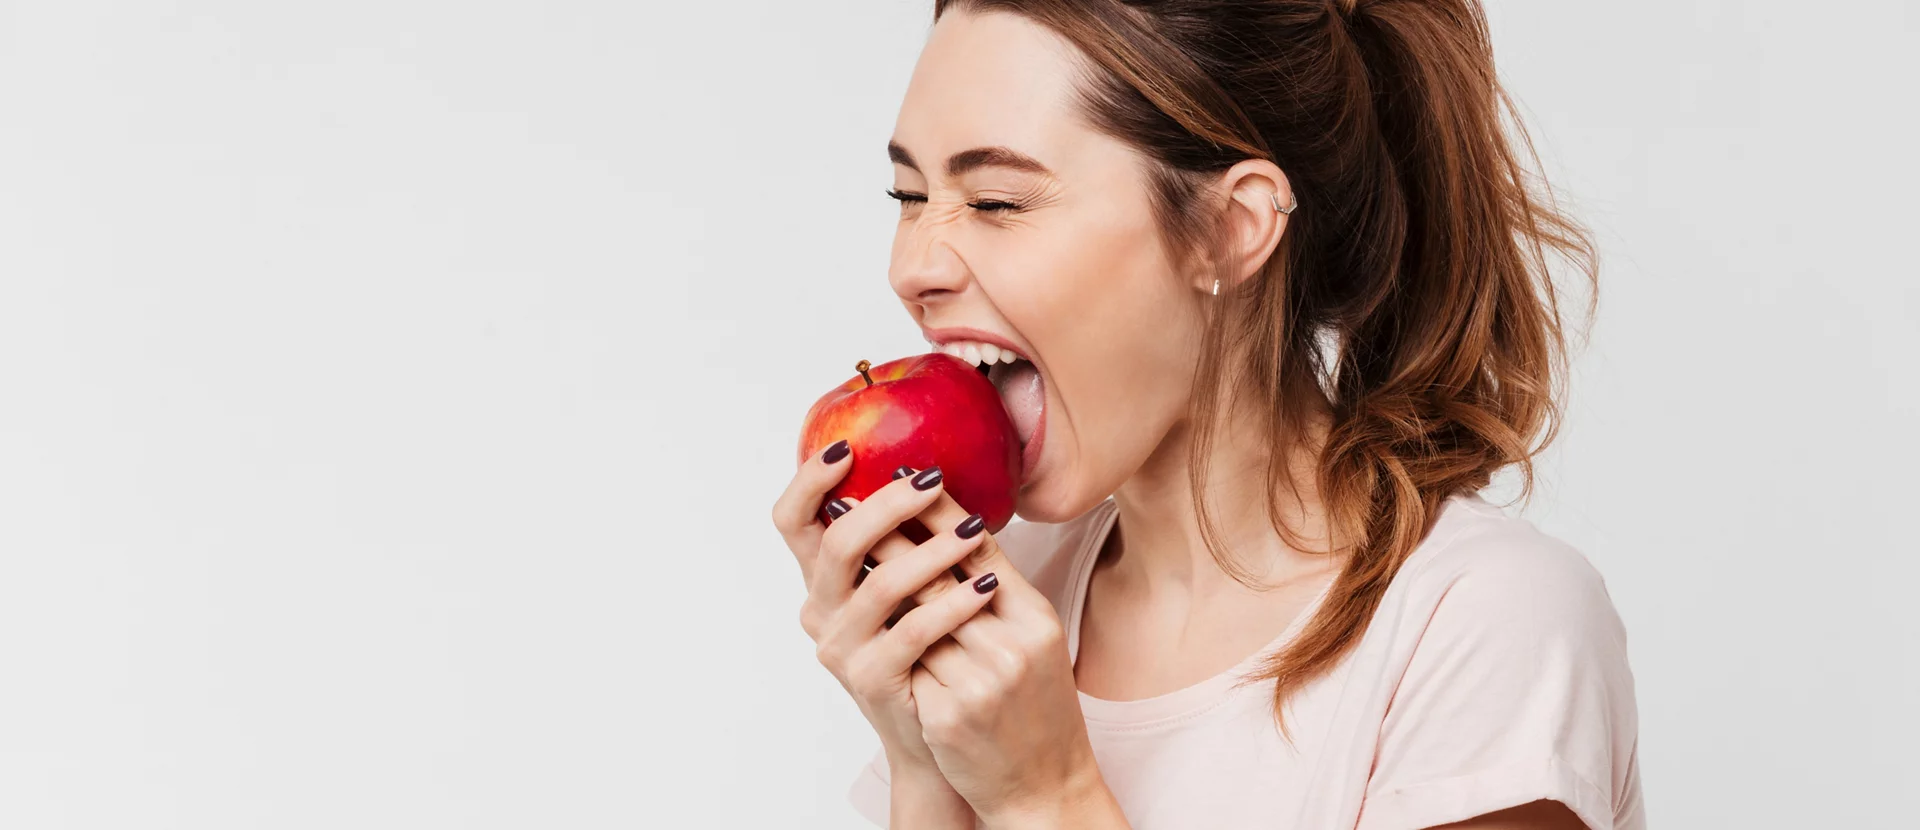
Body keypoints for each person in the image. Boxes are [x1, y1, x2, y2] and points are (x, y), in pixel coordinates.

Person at [770, 1, 1643, 827]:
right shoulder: (1004, 600)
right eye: (908, 197)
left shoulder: (1481, 623)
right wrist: (924, 768)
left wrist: (1049, 797)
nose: (911, 266)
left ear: (1232, 227)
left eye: (997, 201)